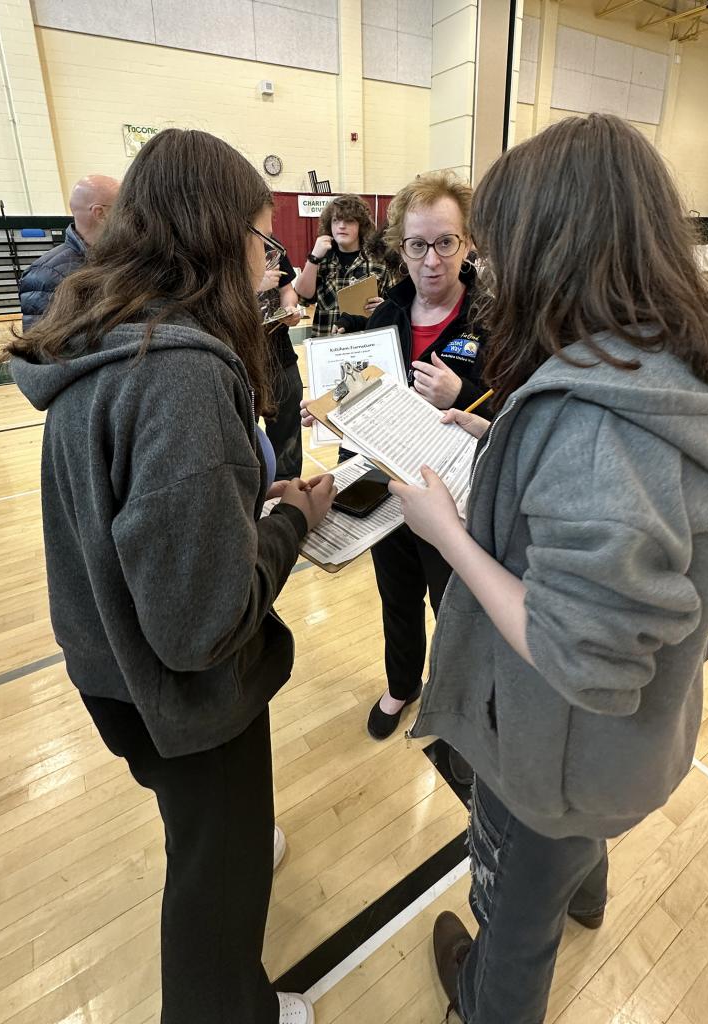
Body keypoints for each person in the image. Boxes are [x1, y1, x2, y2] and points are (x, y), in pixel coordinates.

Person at [387, 114, 708, 1024]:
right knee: (566, 863)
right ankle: (586, 891)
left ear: (559, 244)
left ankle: (485, 1003)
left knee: (513, 924)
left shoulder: (596, 422)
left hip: (552, 757)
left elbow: (581, 653)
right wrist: (497, 436)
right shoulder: (659, 362)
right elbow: (603, 519)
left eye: (501, 245)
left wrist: (448, 535)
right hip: (620, 750)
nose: (490, 271)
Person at [5, 128, 335, 1024]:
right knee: (215, 891)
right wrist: (288, 523)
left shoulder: (102, 332)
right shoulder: (182, 377)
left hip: (108, 664)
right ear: (214, 234)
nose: (268, 260)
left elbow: (142, 517)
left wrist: (235, 509)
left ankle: (224, 842)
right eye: (260, 238)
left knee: (205, 831)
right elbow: (202, 624)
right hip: (180, 695)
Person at [309, 172, 490, 744]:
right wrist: (328, 408)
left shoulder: (493, 320)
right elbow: (361, 390)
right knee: (397, 596)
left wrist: (460, 396)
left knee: (454, 605)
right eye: (417, 245)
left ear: (467, 245)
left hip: (455, 499)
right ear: (400, 248)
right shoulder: (382, 316)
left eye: (445, 243)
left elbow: (517, 418)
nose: (431, 260)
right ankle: (402, 683)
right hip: (390, 493)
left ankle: (456, 696)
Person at [18, 174, 120, 329]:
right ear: (100, 213)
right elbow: (39, 344)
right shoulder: (45, 275)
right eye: (123, 206)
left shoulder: (118, 259)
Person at [293, 194, 388, 335]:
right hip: (326, 341)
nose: (342, 226)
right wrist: (313, 258)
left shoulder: (378, 260)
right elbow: (303, 296)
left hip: (365, 343)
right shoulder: (321, 257)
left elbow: (396, 305)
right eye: (336, 220)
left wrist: (383, 307)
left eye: (349, 221)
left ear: (360, 225)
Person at [258, 240, 304, 479]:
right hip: (239, 359)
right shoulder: (220, 243)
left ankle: (288, 497)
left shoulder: (271, 245)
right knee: (245, 438)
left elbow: (287, 289)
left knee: (288, 435)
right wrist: (254, 284)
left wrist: (289, 309)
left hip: (280, 355)